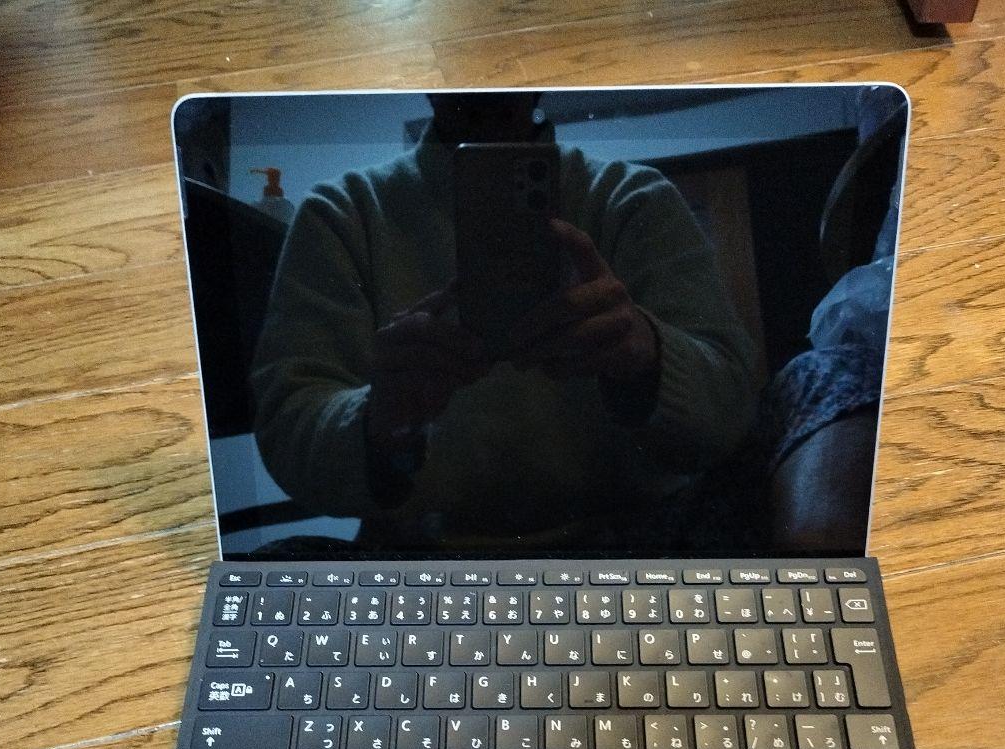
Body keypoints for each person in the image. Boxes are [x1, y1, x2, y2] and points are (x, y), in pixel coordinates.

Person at [251, 92, 757, 550]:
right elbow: (288, 429)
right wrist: (379, 418)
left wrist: (646, 355)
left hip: (443, 555)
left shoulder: (343, 212)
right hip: (621, 550)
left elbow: (733, 409)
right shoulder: (339, 215)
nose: (487, 85)